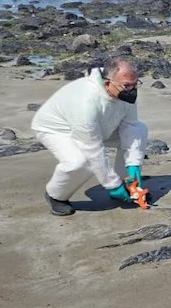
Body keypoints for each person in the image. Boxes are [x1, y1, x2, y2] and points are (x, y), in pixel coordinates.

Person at [31, 57, 148, 216]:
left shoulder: (124, 89)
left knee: (139, 129)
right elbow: (93, 149)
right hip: (58, 129)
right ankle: (56, 195)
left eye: (135, 84)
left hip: (100, 126)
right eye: (127, 86)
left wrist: (133, 163)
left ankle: (128, 184)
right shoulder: (86, 101)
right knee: (80, 162)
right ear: (107, 83)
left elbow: (130, 126)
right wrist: (111, 184)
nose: (132, 90)